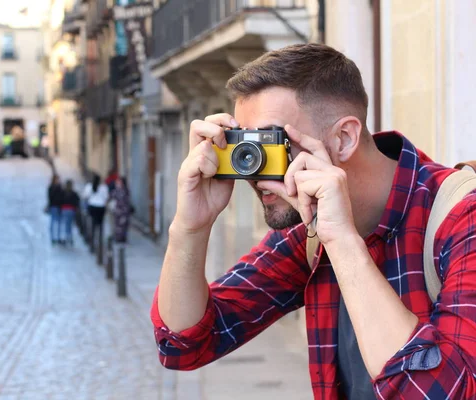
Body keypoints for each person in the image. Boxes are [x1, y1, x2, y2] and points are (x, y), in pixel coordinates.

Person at [151, 43, 476, 399]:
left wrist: (343, 242)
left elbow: (442, 392)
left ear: (344, 138)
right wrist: (189, 228)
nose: (254, 171)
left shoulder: (461, 219)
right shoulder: (306, 231)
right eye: (243, 145)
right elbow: (183, 343)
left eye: (271, 143)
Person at [83, 173, 109, 247]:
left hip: (92, 207)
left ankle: (92, 239)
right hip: (101, 207)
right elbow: (106, 197)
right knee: (100, 224)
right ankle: (100, 239)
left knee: (93, 224)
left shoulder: (89, 186)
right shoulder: (104, 187)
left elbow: (85, 196)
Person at [110, 176, 131, 243]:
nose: (117, 183)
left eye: (118, 182)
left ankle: (122, 238)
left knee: (122, 226)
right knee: (118, 226)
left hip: (123, 211)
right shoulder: (119, 190)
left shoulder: (124, 190)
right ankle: (119, 238)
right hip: (118, 211)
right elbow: (111, 195)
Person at [60, 179, 80, 246]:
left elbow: (60, 200)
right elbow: (77, 201)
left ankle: (66, 237)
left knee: (66, 224)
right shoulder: (73, 193)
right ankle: (69, 237)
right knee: (69, 224)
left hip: (65, 209)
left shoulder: (63, 193)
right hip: (71, 210)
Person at [47, 174, 63, 245]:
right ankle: (53, 238)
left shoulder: (59, 187)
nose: (58, 181)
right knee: (53, 223)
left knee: (59, 223)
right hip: (54, 206)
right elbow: (50, 197)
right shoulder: (51, 187)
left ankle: (58, 237)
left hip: (59, 207)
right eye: (57, 179)